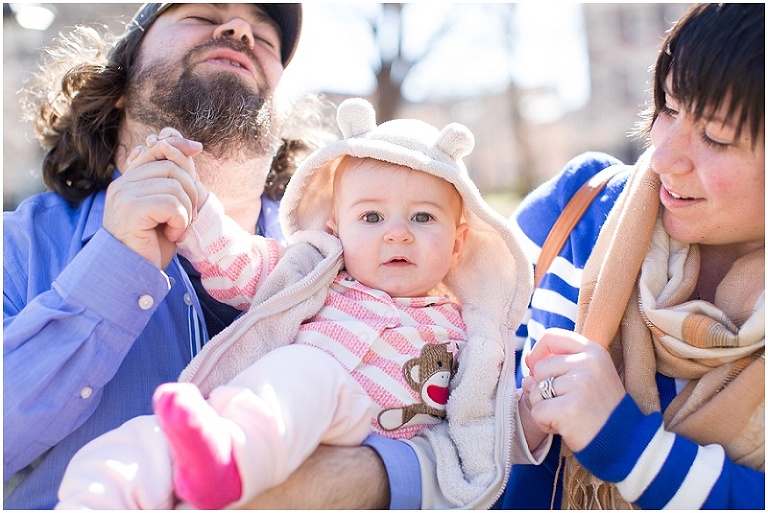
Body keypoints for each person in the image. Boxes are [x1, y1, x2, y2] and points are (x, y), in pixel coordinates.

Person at [55, 97, 546, 509]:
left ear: (457, 244)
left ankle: (227, 458)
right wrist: (197, 212)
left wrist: (528, 419)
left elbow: (481, 423)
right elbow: (238, 260)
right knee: (137, 442)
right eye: (371, 217)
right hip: (253, 413)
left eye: (422, 217)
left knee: (307, 370)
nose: (397, 232)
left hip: (356, 428)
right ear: (336, 228)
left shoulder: (466, 331)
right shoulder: (311, 275)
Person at [3, 3, 317, 509]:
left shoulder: (346, 254)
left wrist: (372, 475)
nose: (239, 30)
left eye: (265, 33)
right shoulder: (16, 248)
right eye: (201, 14)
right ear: (120, 82)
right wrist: (112, 268)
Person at [496, 3, 764, 509]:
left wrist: (623, 445)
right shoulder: (575, 210)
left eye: (716, 137)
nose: (661, 157)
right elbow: (435, 387)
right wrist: (517, 423)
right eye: (668, 108)